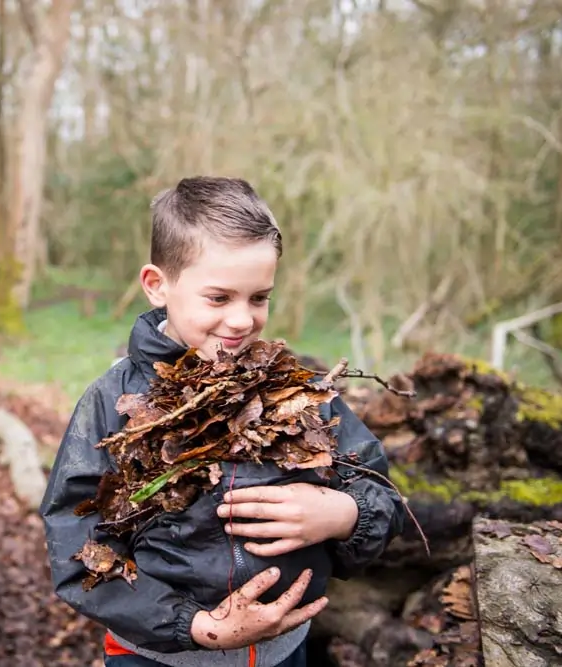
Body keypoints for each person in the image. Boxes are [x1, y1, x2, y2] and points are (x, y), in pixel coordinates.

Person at [40, 177, 406, 667]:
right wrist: (199, 627)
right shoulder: (113, 400)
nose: (241, 321)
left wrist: (345, 514)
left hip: (283, 652)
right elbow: (76, 541)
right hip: (158, 657)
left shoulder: (299, 391)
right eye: (219, 298)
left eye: (259, 298)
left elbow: (383, 494)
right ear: (157, 285)